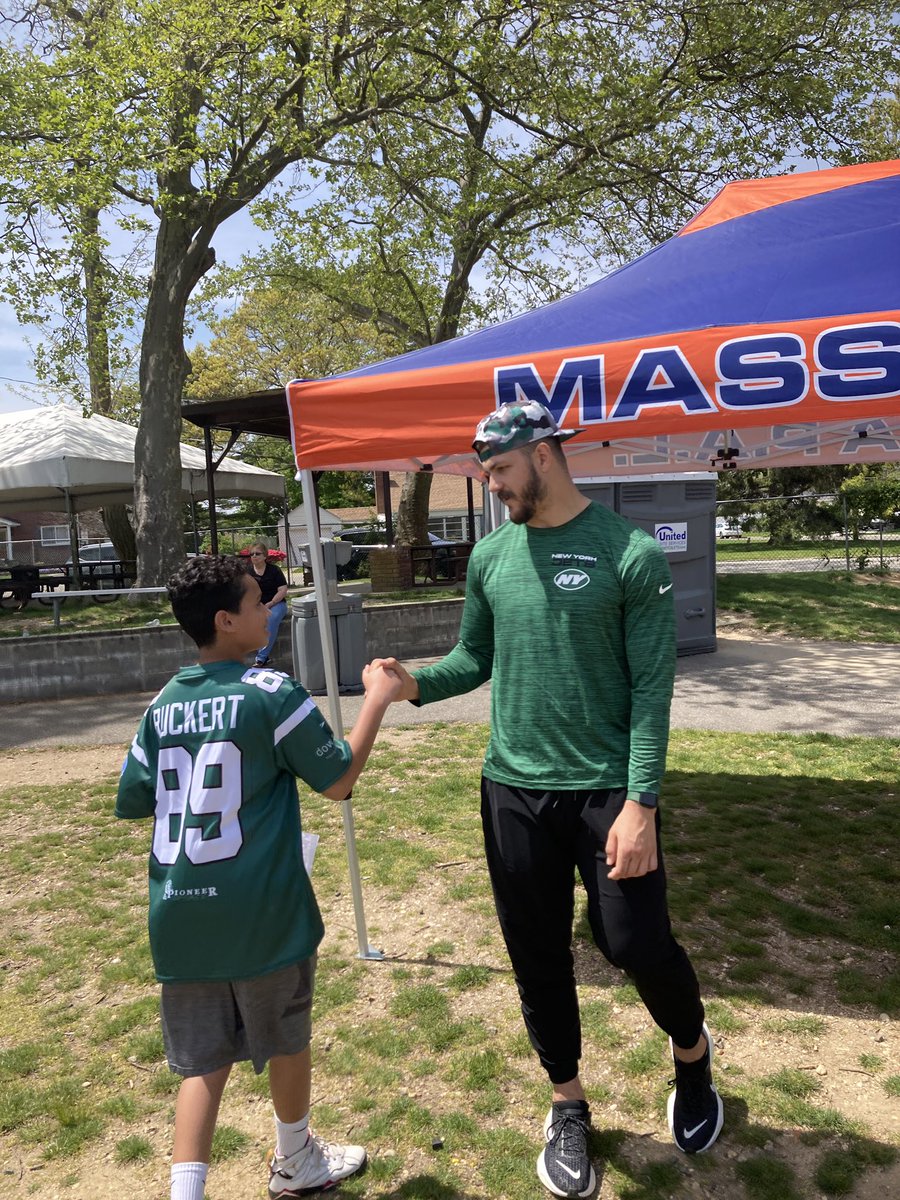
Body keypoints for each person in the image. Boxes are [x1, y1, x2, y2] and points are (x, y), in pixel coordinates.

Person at [378, 400, 723, 1199]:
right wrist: (415, 685)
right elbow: (474, 657)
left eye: (500, 469)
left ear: (543, 454)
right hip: (513, 790)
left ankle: (694, 1055)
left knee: (634, 942)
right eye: (486, 471)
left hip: (607, 792)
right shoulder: (492, 556)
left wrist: (642, 804)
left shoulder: (628, 552)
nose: (493, 485)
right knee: (536, 953)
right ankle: (567, 1103)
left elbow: (651, 691)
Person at [116, 554, 402, 1200]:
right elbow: (338, 779)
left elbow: (136, 799)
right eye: (257, 602)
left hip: (180, 918)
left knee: (202, 1065)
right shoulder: (271, 693)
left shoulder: (162, 705)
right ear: (225, 620)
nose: (270, 610)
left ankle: (185, 1193)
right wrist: (378, 700)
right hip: (264, 914)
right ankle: (296, 1160)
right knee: (286, 1040)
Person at [246, 540, 289, 667]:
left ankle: (261, 658)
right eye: (252, 554)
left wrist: (271, 603)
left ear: (265, 556)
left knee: (270, 618)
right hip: (255, 605)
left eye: (257, 554)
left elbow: (282, 590)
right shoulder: (247, 572)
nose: (254, 556)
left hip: (276, 604)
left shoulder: (274, 570)